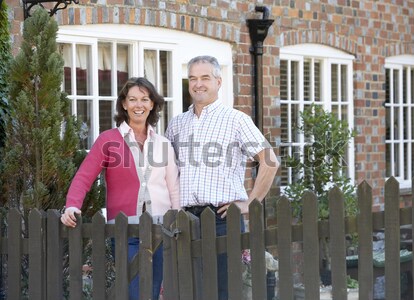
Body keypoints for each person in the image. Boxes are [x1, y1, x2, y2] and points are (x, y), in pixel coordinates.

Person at [165, 55, 279, 300]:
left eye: (205, 77)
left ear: (218, 82)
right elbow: (166, 172)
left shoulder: (236, 120)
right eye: (193, 78)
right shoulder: (177, 124)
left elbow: (270, 161)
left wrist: (250, 203)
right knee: (188, 290)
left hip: (221, 219)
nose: (198, 84)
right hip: (184, 220)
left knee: (223, 292)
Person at [61, 77, 180, 300]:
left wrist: (177, 220)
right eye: (132, 99)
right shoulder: (108, 140)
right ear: (124, 104)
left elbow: (173, 187)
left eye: (145, 99)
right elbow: (84, 177)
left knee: (154, 292)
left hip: (161, 228)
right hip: (126, 230)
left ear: (152, 104)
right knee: (134, 292)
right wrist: (72, 205)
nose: (139, 105)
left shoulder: (163, 143)